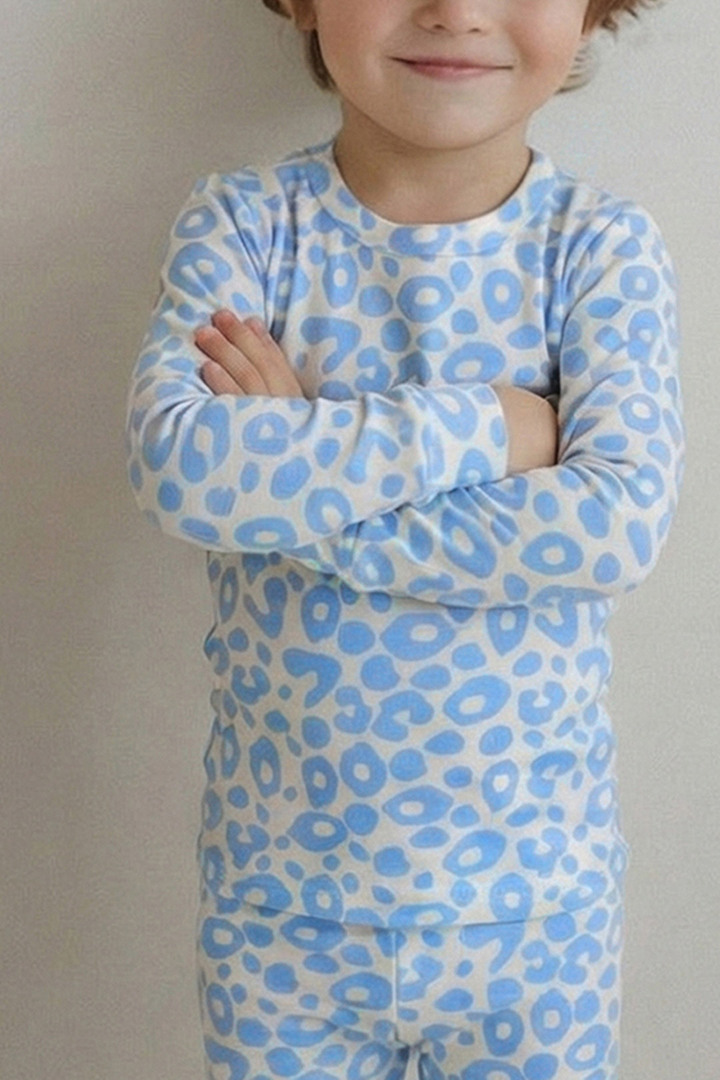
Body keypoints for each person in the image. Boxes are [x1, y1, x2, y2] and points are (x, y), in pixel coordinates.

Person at [124, 1, 686, 1077]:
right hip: (280, 915)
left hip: (540, 916)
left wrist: (299, 495)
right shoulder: (244, 225)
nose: (457, 10)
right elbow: (183, 468)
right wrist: (494, 425)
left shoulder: (599, 248)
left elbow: (613, 528)